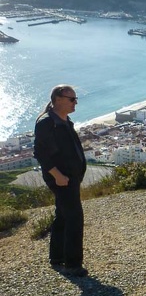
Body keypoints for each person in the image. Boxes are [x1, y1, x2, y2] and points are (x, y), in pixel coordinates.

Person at [33, 85, 88, 276]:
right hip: (62, 178)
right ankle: (73, 264)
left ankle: (56, 257)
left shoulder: (63, 120)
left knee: (63, 215)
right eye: (72, 99)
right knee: (74, 218)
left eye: (75, 99)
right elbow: (40, 153)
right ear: (58, 99)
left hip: (70, 177)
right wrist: (57, 175)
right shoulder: (47, 122)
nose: (75, 103)